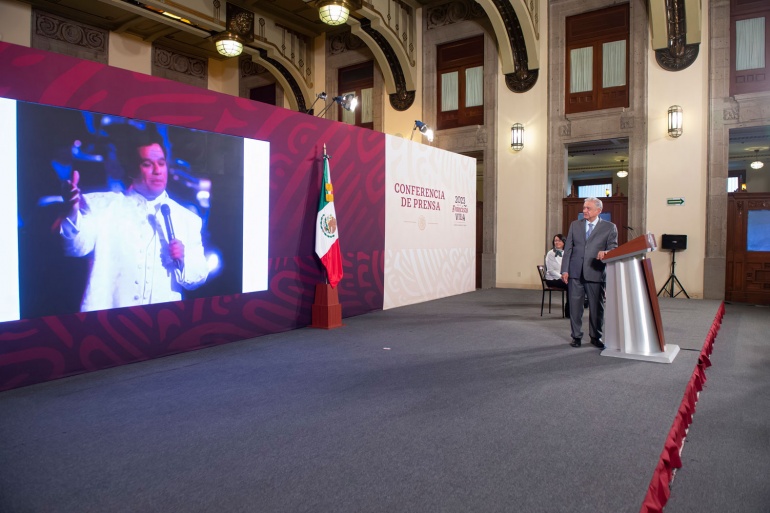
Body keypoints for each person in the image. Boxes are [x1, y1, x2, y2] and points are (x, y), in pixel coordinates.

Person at [59, 124, 208, 312]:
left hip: (163, 324)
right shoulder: (101, 205)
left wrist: (183, 259)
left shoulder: (188, 219)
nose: (157, 170)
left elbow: (199, 276)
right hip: (108, 322)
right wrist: (72, 210)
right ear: (132, 169)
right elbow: (76, 248)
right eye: (147, 164)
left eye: (161, 163)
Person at [561, 197, 618, 349]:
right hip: (575, 272)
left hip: (595, 271)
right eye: (584, 207)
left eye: (588, 208)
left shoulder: (610, 227)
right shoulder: (575, 225)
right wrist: (565, 269)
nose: (584, 211)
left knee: (596, 308)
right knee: (575, 307)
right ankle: (576, 336)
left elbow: (614, 248)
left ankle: (596, 336)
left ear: (598, 211)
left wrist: (606, 252)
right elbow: (568, 249)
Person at [544, 233, 569, 316]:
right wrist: (562, 277)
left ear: (564, 242)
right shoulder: (550, 253)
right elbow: (550, 270)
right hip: (552, 279)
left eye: (559, 240)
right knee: (570, 285)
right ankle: (568, 311)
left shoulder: (566, 253)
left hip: (562, 278)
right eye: (555, 241)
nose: (557, 242)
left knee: (574, 283)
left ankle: (580, 304)